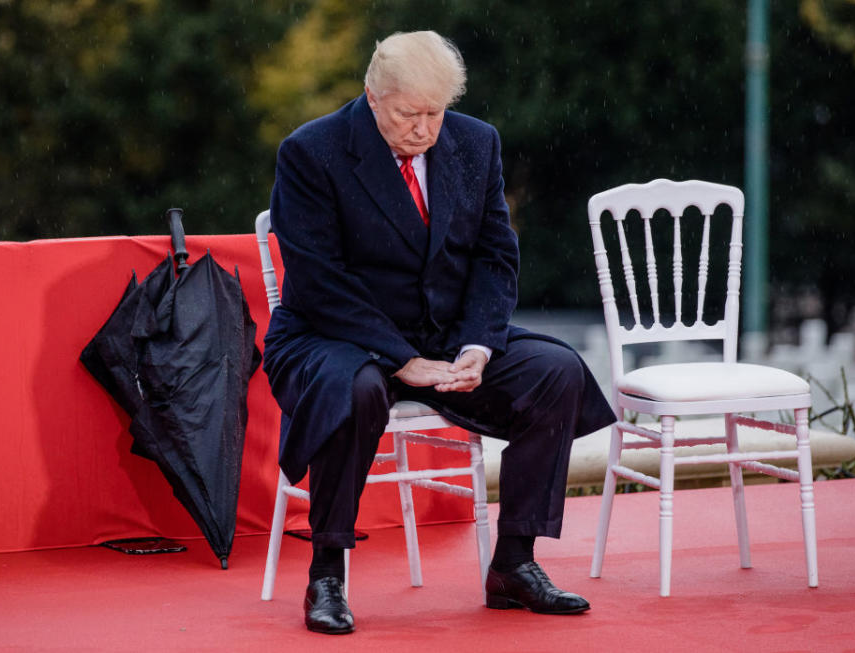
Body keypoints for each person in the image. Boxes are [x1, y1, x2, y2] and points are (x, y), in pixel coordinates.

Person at [262, 30, 616, 635]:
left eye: (435, 113)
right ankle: (326, 575)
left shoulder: (475, 143)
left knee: (555, 371)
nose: (425, 129)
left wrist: (479, 344)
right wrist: (403, 359)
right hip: (332, 335)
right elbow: (321, 282)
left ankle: (514, 565)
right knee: (357, 389)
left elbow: (494, 256)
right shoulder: (311, 152)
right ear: (373, 97)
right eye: (409, 114)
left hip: (448, 335)